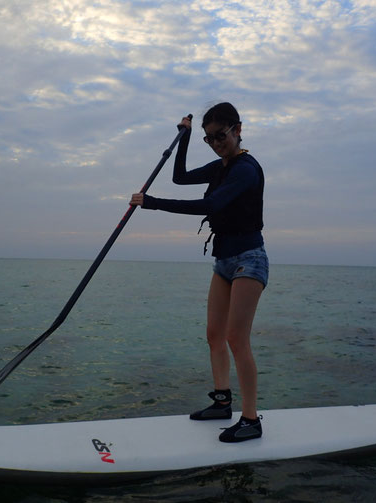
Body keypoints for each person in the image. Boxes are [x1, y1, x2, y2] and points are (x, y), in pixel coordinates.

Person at [130, 102, 268, 443]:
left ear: (238, 130)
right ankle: (222, 402)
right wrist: (186, 137)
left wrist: (152, 203)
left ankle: (251, 419)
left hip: (249, 260)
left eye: (220, 136)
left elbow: (210, 206)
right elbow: (179, 177)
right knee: (213, 335)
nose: (217, 143)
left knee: (237, 338)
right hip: (223, 261)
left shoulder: (245, 169)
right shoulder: (220, 166)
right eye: (210, 138)